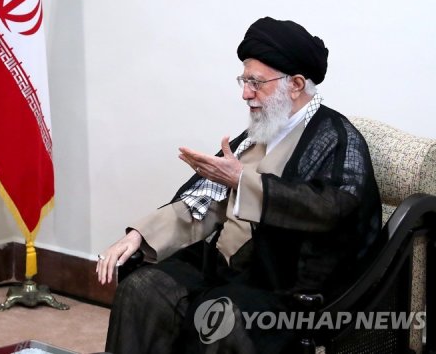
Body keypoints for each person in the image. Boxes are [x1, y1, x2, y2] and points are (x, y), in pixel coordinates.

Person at [96, 17, 381, 353]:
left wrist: (243, 181)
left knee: (217, 320)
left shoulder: (336, 137)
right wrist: (140, 235)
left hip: (282, 286)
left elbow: (333, 208)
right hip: (223, 268)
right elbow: (207, 200)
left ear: (296, 84)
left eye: (256, 83)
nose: (245, 94)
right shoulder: (259, 133)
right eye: (244, 81)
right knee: (144, 289)